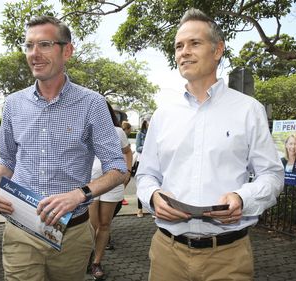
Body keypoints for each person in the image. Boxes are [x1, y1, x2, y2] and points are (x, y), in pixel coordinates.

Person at [136, 8, 284, 281]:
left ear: (217, 50)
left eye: (194, 43)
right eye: (179, 46)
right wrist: (153, 198)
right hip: (167, 254)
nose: (184, 52)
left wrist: (243, 198)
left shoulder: (248, 110)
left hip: (227, 257)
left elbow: (272, 175)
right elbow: (146, 175)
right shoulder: (163, 114)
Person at [0, 16, 127, 281]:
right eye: (29, 46)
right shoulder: (14, 104)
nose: (34, 54)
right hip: (21, 228)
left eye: (45, 44)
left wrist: (80, 195)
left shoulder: (92, 104)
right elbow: (7, 160)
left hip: (72, 234)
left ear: (67, 50)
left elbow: (118, 169)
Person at [89, 102, 133, 280]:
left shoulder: (118, 131)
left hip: (113, 183)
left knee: (105, 224)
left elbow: (128, 152)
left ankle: (96, 262)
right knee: (92, 226)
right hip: (91, 184)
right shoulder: (87, 127)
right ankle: (86, 256)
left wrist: (127, 172)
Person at [134, 119, 149, 217]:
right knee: (141, 184)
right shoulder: (140, 133)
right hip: (141, 161)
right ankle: (140, 209)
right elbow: (137, 148)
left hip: (152, 161)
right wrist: (148, 147)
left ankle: (153, 209)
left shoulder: (154, 133)